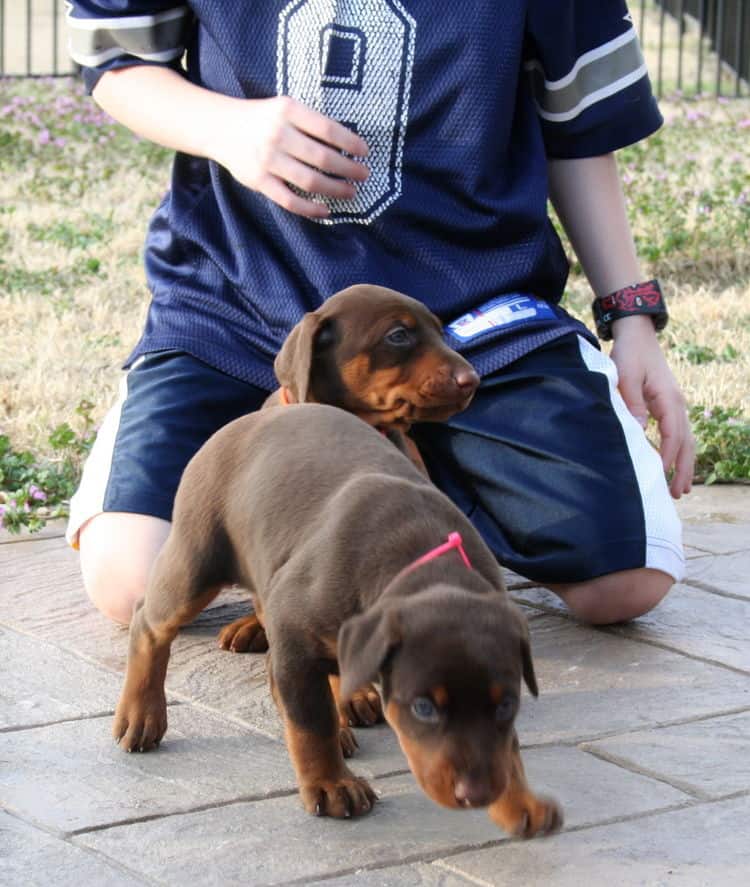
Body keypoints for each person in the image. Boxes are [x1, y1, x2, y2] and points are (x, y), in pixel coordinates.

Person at [65, 0, 695, 627]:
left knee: (628, 577)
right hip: (239, 300)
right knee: (133, 583)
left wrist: (631, 319)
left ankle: (406, 482)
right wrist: (225, 127)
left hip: (475, 317)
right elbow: (116, 56)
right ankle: (367, 500)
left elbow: (577, 126)